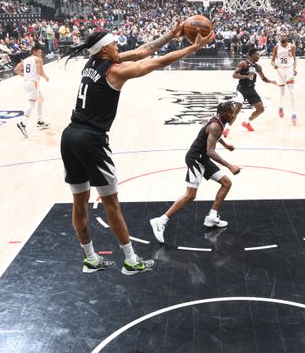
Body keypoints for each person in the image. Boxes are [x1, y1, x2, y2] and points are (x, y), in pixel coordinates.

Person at [59, 23, 214, 275]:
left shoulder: (91, 64)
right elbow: (155, 63)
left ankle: (90, 258)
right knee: (111, 203)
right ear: (105, 49)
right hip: (92, 140)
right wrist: (192, 48)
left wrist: (170, 36)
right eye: (113, 44)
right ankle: (131, 260)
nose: (117, 46)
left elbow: (142, 51)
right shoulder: (115, 71)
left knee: (79, 203)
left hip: (70, 136)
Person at [149, 101, 241, 244]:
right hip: (196, 159)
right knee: (190, 195)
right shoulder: (215, 125)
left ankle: (212, 216)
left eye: (234, 112)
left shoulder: (219, 122)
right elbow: (210, 151)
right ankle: (161, 221)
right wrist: (229, 165)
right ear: (223, 113)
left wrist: (225, 144)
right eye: (231, 112)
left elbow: (215, 135)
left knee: (226, 183)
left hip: (202, 159)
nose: (233, 114)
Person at [224, 48, 275, 136]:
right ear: (252, 55)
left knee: (261, 109)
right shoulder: (243, 63)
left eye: (259, 54)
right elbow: (234, 75)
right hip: (241, 89)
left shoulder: (258, 67)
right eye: (257, 54)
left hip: (251, 89)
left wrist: (271, 81)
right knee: (237, 108)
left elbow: (263, 78)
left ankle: (246, 123)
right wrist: (247, 76)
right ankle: (227, 128)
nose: (259, 56)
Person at [15, 45, 50, 137]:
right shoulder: (38, 59)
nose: (41, 53)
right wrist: (45, 77)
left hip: (26, 83)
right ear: (34, 51)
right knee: (31, 105)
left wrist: (25, 76)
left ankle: (40, 121)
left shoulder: (26, 59)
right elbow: (40, 71)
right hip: (33, 84)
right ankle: (23, 123)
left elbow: (16, 70)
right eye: (39, 51)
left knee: (41, 99)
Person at [271, 32, 298, 125]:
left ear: (287, 38)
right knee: (282, 93)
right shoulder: (276, 47)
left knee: (292, 91)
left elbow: (294, 59)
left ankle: (294, 114)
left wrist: (294, 69)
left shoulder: (292, 47)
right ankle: (280, 107)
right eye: (281, 36)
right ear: (279, 38)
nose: (283, 37)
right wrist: (274, 65)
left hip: (289, 69)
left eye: (284, 36)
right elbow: (272, 60)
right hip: (280, 70)